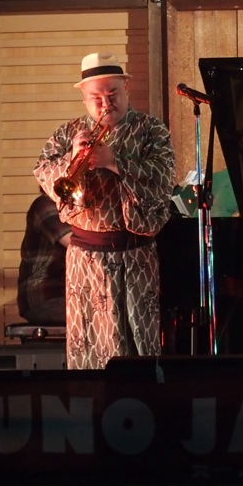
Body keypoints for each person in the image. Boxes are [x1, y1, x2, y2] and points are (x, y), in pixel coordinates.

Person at [34, 52, 176, 369]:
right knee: (90, 347)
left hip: (136, 254)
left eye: (112, 95)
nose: (105, 105)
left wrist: (114, 162)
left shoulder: (152, 130)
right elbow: (43, 172)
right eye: (96, 98)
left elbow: (163, 178)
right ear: (84, 99)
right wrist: (72, 158)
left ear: (127, 89)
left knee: (140, 346)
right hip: (85, 259)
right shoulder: (68, 133)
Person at [16, 191, 71, 326]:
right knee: (98, 319)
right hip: (44, 295)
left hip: (65, 294)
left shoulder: (74, 210)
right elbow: (75, 243)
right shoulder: (45, 204)